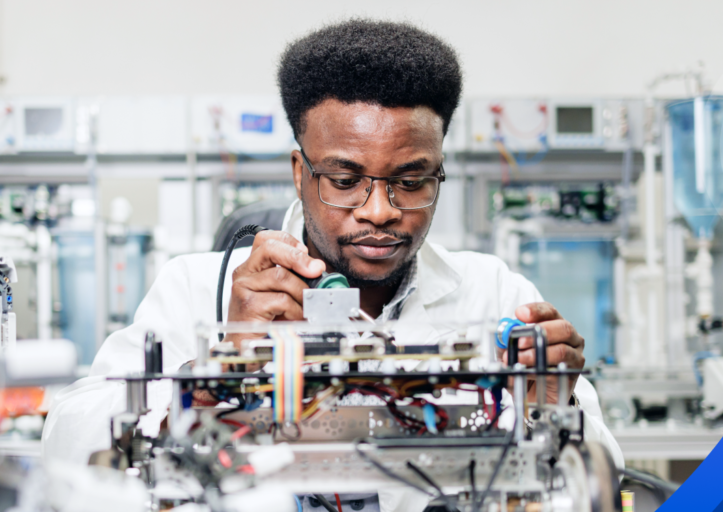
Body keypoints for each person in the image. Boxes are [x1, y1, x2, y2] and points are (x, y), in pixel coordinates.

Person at [43, 18, 623, 511]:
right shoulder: (200, 288)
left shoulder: (493, 292)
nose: (379, 212)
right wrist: (210, 374)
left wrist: (555, 409)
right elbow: (65, 447)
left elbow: (601, 474)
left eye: (411, 181)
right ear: (300, 172)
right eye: (346, 181)